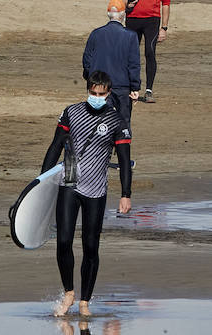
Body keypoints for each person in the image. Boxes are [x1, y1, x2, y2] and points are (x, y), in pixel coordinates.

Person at [41, 72, 133, 318]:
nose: (97, 97)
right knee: (63, 241)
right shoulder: (71, 112)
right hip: (69, 183)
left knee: (91, 247)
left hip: (96, 190)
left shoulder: (117, 121)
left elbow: (124, 161)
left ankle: (85, 301)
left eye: (102, 94)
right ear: (88, 90)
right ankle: (69, 292)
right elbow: (55, 146)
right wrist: (41, 183)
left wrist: (126, 194)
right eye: (93, 93)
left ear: (109, 93)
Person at [117, 0, 171, 102]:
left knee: (149, 52)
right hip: (132, 18)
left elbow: (166, 3)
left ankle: (149, 90)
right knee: (130, 54)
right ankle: (131, 88)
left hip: (152, 20)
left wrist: (164, 28)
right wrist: (127, 2)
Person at [82, 0, 141, 128]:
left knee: (99, 123)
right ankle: (122, 147)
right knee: (123, 124)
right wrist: (135, 87)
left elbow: (87, 60)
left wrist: (91, 79)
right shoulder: (130, 36)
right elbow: (134, 64)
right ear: (123, 14)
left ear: (108, 14)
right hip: (122, 87)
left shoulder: (96, 34)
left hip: (99, 86)